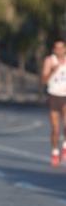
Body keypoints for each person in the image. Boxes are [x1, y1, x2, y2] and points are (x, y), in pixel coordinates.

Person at [41, 38, 66, 167]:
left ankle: (65, 146)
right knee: (55, 129)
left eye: (62, 47)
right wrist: (53, 70)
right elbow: (44, 80)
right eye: (57, 48)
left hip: (65, 96)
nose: (60, 50)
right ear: (54, 49)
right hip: (54, 96)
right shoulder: (50, 61)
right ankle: (55, 151)